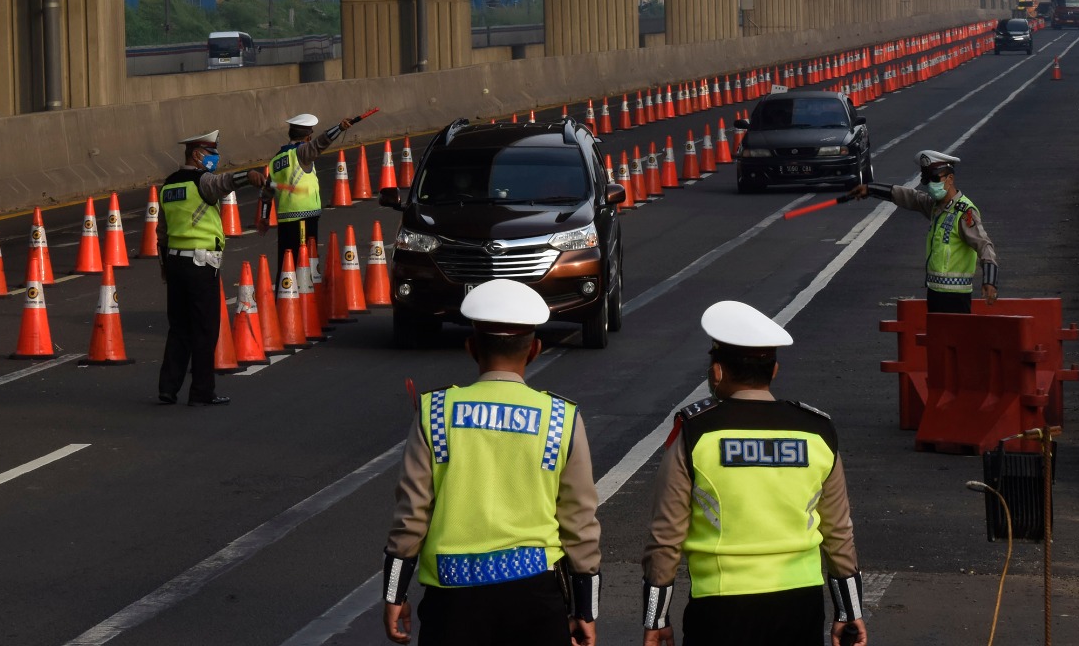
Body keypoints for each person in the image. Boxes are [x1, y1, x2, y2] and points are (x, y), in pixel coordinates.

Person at [382, 279, 600, 646]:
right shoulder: (560, 418)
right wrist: (585, 609)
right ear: (534, 350)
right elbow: (580, 522)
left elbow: (411, 514)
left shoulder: (436, 412)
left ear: (471, 348)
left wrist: (394, 593)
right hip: (535, 597)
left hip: (452, 598)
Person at [641, 300, 867, 646]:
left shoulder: (696, 432)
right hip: (800, 605)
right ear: (773, 372)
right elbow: (838, 532)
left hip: (720, 608)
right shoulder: (817, 431)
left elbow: (666, 535)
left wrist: (655, 618)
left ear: (717, 372)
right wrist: (849, 613)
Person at [157, 131, 268, 407]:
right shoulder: (201, 182)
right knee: (205, 329)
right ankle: (202, 392)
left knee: (179, 327)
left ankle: (168, 388)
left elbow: (162, 232)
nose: (215, 158)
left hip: (174, 263)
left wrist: (164, 267)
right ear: (197, 155)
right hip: (200, 264)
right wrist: (249, 177)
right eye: (211, 153)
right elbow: (224, 182)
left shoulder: (168, 186)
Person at [851, 149, 998, 313]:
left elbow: (984, 245)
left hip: (956, 297)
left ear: (950, 179)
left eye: (935, 178)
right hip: (934, 293)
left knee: (953, 339)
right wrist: (871, 189)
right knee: (935, 338)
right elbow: (910, 197)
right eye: (926, 179)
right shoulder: (936, 207)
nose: (930, 184)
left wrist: (989, 281)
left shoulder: (965, 212)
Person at [267, 113, 356, 277]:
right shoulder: (301, 153)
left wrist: (265, 217)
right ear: (308, 137)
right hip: (304, 216)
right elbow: (321, 143)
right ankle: (306, 297)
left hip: (286, 217)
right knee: (306, 261)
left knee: (287, 262)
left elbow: (267, 189)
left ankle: (284, 296)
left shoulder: (276, 159)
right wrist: (340, 128)